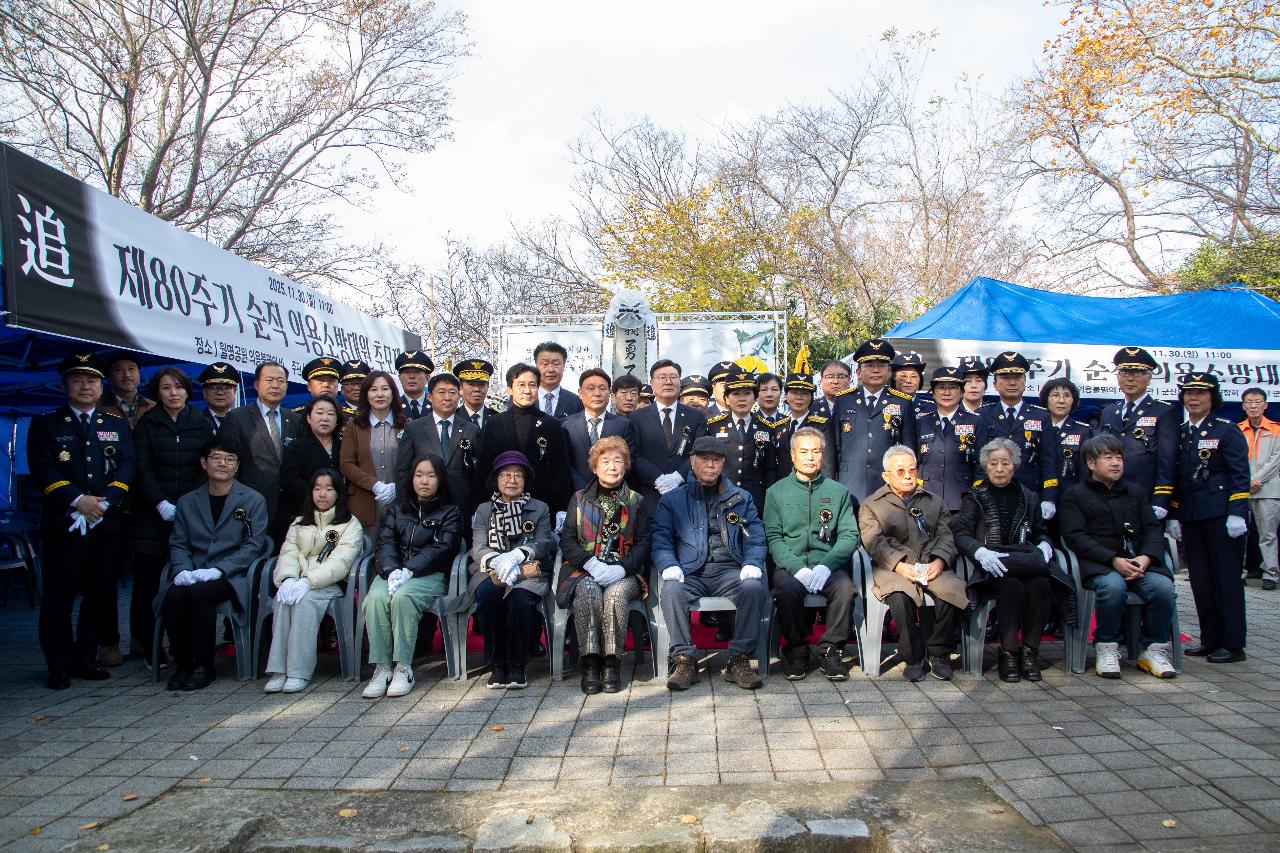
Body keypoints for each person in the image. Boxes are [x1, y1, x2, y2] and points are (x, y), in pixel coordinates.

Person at [28, 352, 135, 689]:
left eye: (92, 380)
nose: (85, 386)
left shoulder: (115, 425)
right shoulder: (46, 424)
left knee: (99, 594)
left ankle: (86, 657)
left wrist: (105, 502)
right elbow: (43, 468)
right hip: (65, 523)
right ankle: (58, 664)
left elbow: (127, 466)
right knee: (58, 597)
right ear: (64, 386)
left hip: (105, 522)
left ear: (101, 386)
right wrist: (78, 500)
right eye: (78, 380)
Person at [652, 436, 768, 691]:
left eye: (716, 460)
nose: (711, 465)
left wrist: (752, 562)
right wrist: (669, 564)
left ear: (723, 463)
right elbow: (660, 539)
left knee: (753, 588)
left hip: (730, 570)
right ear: (692, 461)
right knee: (671, 591)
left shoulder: (741, 498)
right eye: (705, 459)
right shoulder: (672, 500)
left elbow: (756, 537)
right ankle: (685, 660)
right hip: (690, 571)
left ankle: (738, 659)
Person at [951, 438, 1071, 683]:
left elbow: (1040, 531)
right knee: (1012, 588)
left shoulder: (1028, 496)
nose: (999, 469)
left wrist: (1045, 544)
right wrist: (980, 552)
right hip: (992, 566)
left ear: (1014, 466)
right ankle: (1008, 652)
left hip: (1025, 563)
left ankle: (1029, 652)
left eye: (1005, 463)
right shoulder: (974, 496)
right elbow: (960, 533)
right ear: (985, 466)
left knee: (1041, 586)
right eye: (993, 463)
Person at [1059, 433, 1177, 679]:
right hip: (1101, 564)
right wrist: (1113, 559)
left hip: (1140, 563)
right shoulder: (1075, 495)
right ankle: (1106, 647)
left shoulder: (1136, 492)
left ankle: (1153, 649)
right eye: (1108, 458)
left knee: (1163, 587)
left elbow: (1153, 529)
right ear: (1091, 463)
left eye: (1119, 458)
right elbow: (1075, 537)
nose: (1115, 463)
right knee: (1112, 587)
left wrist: (1146, 558)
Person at [161, 436, 268, 691]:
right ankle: (183, 663)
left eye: (230, 459)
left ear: (237, 466)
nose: (223, 464)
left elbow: (254, 545)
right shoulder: (187, 501)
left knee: (198, 595)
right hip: (194, 570)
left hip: (232, 575)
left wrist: (220, 570)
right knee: (174, 595)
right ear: (204, 463)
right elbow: (179, 543)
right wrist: (182, 570)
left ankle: (203, 665)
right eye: (216, 458)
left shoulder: (252, 500)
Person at [857, 445, 965, 682]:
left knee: (953, 591)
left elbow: (946, 536)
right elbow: (874, 542)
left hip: (929, 563)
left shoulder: (934, 501)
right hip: (892, 568)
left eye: (912, 469)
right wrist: (898, 565)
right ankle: (913, 657)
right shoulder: (871, 505)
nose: (907, 475)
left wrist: (939, 561)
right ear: (886, 476)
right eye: (900, 471)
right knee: (899, 597)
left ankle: (939, 654)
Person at [129, 367, 213, 667]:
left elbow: (207, 465)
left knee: (187, 579)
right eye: (166, 388)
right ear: (157, 392)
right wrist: (160, 502)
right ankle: (150, 646)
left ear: (187, 391)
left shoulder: (200, 422)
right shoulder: (147, 424)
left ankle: (183, 645)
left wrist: (188, 503)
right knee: (148, 583)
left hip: (190, 514)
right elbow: (141, 467)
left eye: (178, 387)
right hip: (152, 516)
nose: (173, 393)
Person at [361, 455, 463, 698]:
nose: (424, 481)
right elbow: (385, 542)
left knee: (403, 598)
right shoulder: (396, 509)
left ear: (440, 479)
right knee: (375, 598)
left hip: (429, 574)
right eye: (419, 475)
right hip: (393, 572)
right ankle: (382, 668)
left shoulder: (450, 511)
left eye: (431, 475)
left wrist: (410, 570)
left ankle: (403, 667)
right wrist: (392, 570)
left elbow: (442, 548)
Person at [764, 427, 859, 680]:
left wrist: (827, 565)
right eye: (804, 452)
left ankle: (830, 649)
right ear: (792, 455)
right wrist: (798, 569)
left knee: (845, 589)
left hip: (827, 564)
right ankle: (796, 650)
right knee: (785, 590)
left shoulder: (838, 492)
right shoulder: (776, 492)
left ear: (822, 455)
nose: (810, 457)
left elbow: (849, 535)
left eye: (815, 451)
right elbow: (774, 538)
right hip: (791, 565)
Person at [558, 436, 650, 694]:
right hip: (584, 569)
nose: (612, 467)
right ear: (595, 467)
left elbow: (643, 544)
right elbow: (567, 540)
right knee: (588, 593)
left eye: (618, 461)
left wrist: (621, 568)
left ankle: (611, 663)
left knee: (615, 596)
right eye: (605, 461)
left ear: (626, 466)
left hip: (625, 571)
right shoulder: (579, 499)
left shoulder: (637, 501)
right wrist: (591, 564)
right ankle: (590, 663)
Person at [1170, 372, 1250, 663]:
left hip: (1221, 517)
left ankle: (1233, 644)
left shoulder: (1226, 430)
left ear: (1213, 398)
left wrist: (1237, 513)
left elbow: (1240, 475)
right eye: (1189, 393)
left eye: (1201, 393)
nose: (1193, 398)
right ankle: (1210, 639)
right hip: (1192, 516)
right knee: (1201, 581)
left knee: (1226, 580)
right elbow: (1179, 477)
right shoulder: (1182, 432)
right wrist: (1175, 514)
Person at [265, 469, 363, 692]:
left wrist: (309, 581)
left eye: (329, 489)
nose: (322, 494)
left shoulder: (350, 524)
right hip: (298, 579)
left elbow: (341, 562)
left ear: (338, 493)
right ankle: (278, 670)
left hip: (330, 583)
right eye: (317, 489)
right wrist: (288, 579)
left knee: (304, 601)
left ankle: (298, 672)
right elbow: (288, 553)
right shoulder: (299, 522)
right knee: (283, 599)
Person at [468, 451, 557, 689]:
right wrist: (497, 561)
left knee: (520, 599)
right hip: (491, 570)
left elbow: (543, 542)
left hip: (528, 570)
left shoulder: (540, 508)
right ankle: (497, 664)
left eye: (518, 475)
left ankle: (517, 664)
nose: (512, 480)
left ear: (526, 480)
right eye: (506, 475)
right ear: (495, 479)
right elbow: (478, 547)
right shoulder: (484, 510)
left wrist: (517, 555)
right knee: (488, 596)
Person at [823, 339, 918, 503]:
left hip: (888, 486)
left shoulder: (902, 402)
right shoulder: (844, 400)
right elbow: (834, 446)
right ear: (858, 372)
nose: (876, 370)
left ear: (889, 371)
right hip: (850, 484)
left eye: (881, 365)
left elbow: (908, 449)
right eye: (869, 365)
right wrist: (830, 485)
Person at [476, 363, 573, 517]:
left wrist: (562, 508)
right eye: (521, 385)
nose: (527, 391)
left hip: (541, 504)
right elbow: (484, 467)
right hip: (501, 504)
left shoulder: (551, 424)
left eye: (532, 385)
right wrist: (479, 506)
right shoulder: (495, 423)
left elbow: (561, 470)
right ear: (510, 389)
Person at [219, 361, 301, 536]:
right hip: (251, 504)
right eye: (269, 380)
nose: (275, 385)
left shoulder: (295, 419)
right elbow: (229, 464)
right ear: (256, 384)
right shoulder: (237, 418)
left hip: (289, 508)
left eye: (281, 381)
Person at [1099, 347, 1178, 520]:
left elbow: (1167, 460)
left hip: (1145, 495)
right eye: (1124, 373)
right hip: (1110, 494)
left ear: (1149, 377)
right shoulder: (1109, 412)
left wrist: (1161, 498)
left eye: (1137, 373)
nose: (1130, 378)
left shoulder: (1163, 412)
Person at [396, 372, 482, 519]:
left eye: (452, 392)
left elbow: (478, 471)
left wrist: (476, 509)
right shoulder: (414, 428)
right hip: (424, 504)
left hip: (461, 504)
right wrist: (404, 505)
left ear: (459, 396)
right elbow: (403, 470)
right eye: (441, 392)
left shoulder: (471, 429)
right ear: (429, 397)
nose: (447, 398)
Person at [629, 360, 709, 511]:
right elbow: (634, 454)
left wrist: (678, 477)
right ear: (652, 383)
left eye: (673, 377)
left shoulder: (695, 416)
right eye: (662, 377)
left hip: (687, 492)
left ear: (680, 382)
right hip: (649, 495)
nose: (668, 382)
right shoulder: (637, 417)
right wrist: (657, 478)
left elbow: (699, 451)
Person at [978, 352, 1052, 506]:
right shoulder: (982, 415)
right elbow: (977, 461)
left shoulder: (1042, 416)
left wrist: (1049, 498)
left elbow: (1048, 460)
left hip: (1029, 493)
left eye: (1017, 378)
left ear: (1025, 382)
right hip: (990, 495)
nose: (1012, 383)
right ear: (995, 385)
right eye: (1005, 378)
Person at [340, 371, 407, 532]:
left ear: (393, 393)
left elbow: (415, 462)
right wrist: (374, 485)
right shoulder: (354, 426)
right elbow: (346, 464)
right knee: (366, 545)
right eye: (373, 389)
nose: (379, 394)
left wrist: (398, 486)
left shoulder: (407, 424)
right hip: (364, 502)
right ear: (366, 394)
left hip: (401, 502)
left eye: (385, 389)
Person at [706, 371, 779, 510]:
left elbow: (770, 469)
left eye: (747, 393)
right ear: (727, 399)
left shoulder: (767, 427)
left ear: (755, 398)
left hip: (756, 500)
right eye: (736, 394)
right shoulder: (714, 427)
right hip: (722, 496)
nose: (742, 399)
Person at [915, 367, 981, 512]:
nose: (946, 393)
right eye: (941, 388)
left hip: (962, 500)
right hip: (927, 497)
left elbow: (981, 465)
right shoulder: (921, 422)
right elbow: (915, 460)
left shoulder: (976, 422)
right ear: (933, 393)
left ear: (962, 392)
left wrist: (975, 497)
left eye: (952, 387)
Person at [563, 368, 638, 492]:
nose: (597, 393)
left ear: (609, 393)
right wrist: (584, 489)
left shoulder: (623, 425)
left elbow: (628, 461)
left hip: (612, 492)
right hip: (575, 493)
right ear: (580, 393)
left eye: (602, 388)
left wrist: (606, 484)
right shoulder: (566, 424)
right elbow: (564, 462)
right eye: (591, 388)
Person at [1238, 388, 1280, 590]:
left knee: (1268, 534)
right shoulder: (1236, 430)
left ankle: (1270, 574)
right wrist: (1246, 480)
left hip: (1268, 489)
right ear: (1243, 405)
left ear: (1265, 405)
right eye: (1249, 402)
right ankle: (1239, 572)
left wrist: (1256, 479)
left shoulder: (1276, 429)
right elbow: (1233, 459)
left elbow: (1276, 460)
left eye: (1257, 402)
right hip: (1241, 488)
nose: (1253, 406)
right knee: (1239, 532)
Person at [281, 395, 343, 520]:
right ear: (309, 418)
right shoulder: (297, 446)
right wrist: (319, 493)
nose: (325, 418)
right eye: (319, 413)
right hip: (304, 512)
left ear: (337, 419)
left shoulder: (344, 445)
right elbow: (289, 480)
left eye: (331, 414)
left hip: (339, 512)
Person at [774, 373, 829, 479]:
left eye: (804, 393)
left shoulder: (821, 426)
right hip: (782, 484)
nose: (799, 398)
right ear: (786, 395)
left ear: (811, 397)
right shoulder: (779, 426)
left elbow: (827, 464)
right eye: (794, 393)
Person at [101, 350, 156, 427]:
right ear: (109, 376)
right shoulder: (97, 407)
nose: (127, 375)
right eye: (119, 370)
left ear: (139, 373)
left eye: (131, 369)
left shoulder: (153, 407)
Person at [532, 342, 584, 419]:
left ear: (564, 366)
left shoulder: (576, 402)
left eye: (556, 364)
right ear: (536, 366)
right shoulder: (523, 398)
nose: (550, 369)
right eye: (545, 364)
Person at [455, 358, 501, 428]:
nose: (477, 389)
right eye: (471, 384)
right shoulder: (452, 418)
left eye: (481, 384)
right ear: (461, 388)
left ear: (487, 387)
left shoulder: (498, 419)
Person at [197, 362, 240, 433]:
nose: (220, 392)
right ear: (204, 392)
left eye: (226, 387)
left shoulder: (245, 421)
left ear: (234, 392)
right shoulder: (195, 422)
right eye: (213, 387)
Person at [396, 350, 433, 420]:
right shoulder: (394, 406)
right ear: (400, 378)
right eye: (407, 372)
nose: (412, 376)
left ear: (427, 378)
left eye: (417, 372)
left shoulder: (437, 405)